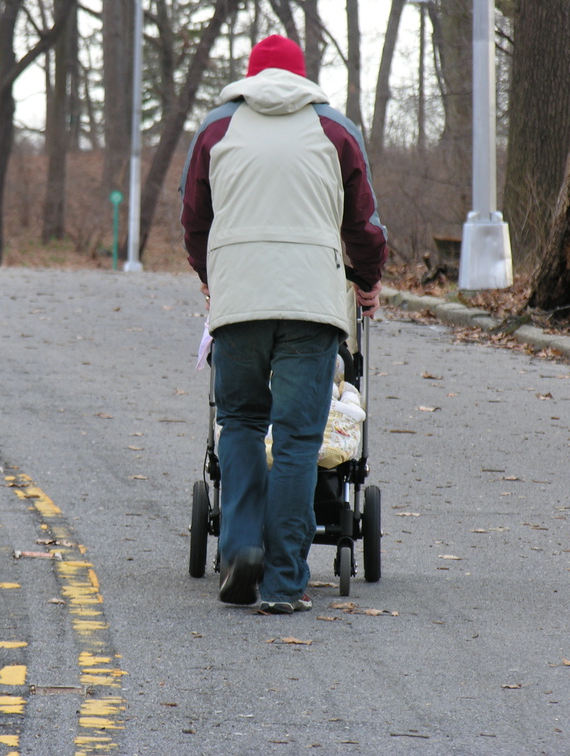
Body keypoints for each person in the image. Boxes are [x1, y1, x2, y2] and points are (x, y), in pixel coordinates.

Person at [179, 35, 387, 614]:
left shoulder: (216, 130)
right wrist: (366, 281)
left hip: (240, 299)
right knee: (297, 440)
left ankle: (242, 547)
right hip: (312, 304)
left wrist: (208, 271)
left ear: (248, 77)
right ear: (302, 77)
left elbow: (195, 219)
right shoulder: (336, 131)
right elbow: (364, 223)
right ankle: (284, 583)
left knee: (242, 421)